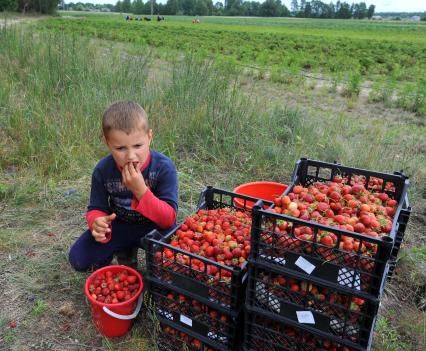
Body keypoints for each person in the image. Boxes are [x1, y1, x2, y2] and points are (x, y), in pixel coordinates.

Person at [69, 101, 178, 271]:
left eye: (138, 145)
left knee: (180, 260)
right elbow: (96, 207)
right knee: (79, 259)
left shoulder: (164, 168)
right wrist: (96, 222)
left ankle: (147, 258)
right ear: (107, 143)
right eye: (120, 148)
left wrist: (141, 191)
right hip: (119, 225)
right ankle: (124, 250)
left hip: (155, 226)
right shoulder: (103, 170)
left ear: (149, 137)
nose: (130, 156)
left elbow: (168, 219)